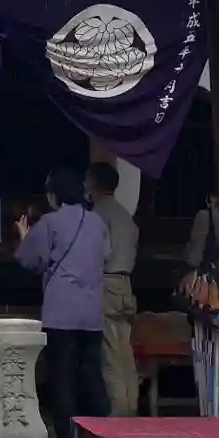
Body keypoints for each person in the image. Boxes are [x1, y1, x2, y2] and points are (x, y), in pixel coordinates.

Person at [15, 164, 110, 438]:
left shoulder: (51, 222)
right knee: (93, 378)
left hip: (61, 313)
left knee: (62, 377)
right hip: (92, 312)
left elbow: (30, 260)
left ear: (54, 194)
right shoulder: (97, 223)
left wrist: (24, 236)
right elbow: (105, 256)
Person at [87, 161, 140, 417]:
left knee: (110, 355)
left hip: (106, 282)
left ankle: (118, 415)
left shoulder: (98, 215)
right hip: (125, 283)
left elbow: (97, 252)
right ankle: (132, 407)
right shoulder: (124, 215)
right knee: (125, 353)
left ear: (94, 184)